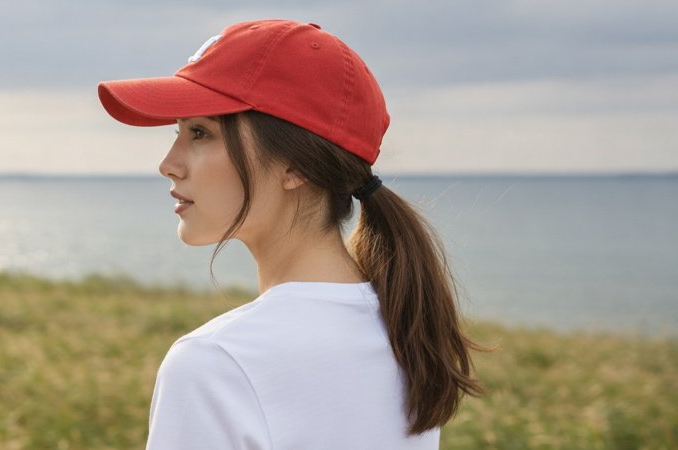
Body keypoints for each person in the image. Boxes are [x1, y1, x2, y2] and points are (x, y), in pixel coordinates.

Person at [98, 19, 483, 449]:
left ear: (295, 166)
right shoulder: (405, 330)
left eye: (201, 133)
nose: (168, 163)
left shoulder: (216, 363)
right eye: (178, 132)